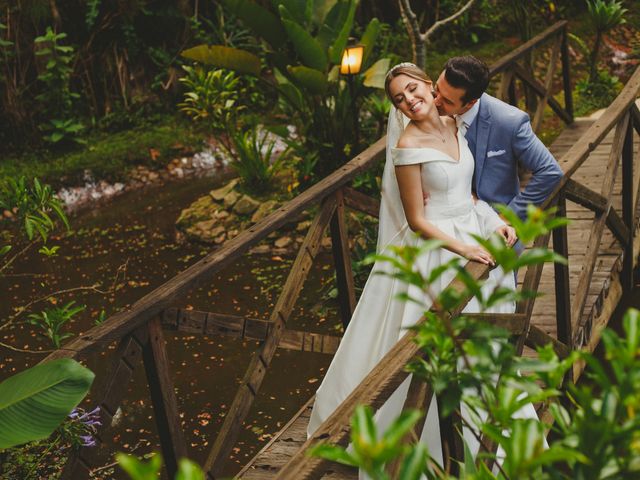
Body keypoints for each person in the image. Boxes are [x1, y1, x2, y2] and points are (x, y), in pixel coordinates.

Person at [307, 63, 540, 475]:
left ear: (430, 86)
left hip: (472, 232)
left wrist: (495, 223)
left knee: (483, 345)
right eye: (399, 97)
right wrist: (463, 247)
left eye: (413, 89)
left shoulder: (454, 125)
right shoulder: (408, 146)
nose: (409, 100)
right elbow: (417, 220)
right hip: (439, 248)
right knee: (435, 348)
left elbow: (469, 198)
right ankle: (429, 448)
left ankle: (491, 434)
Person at [432, 55, 563, 223]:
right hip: (442, 224)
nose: (435, 102)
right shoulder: (426, 110)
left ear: (471, 103)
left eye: (447, 101)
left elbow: (549, 171)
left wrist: (508, 218)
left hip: (493, 229)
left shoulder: (509, 121)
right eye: (437, 89)